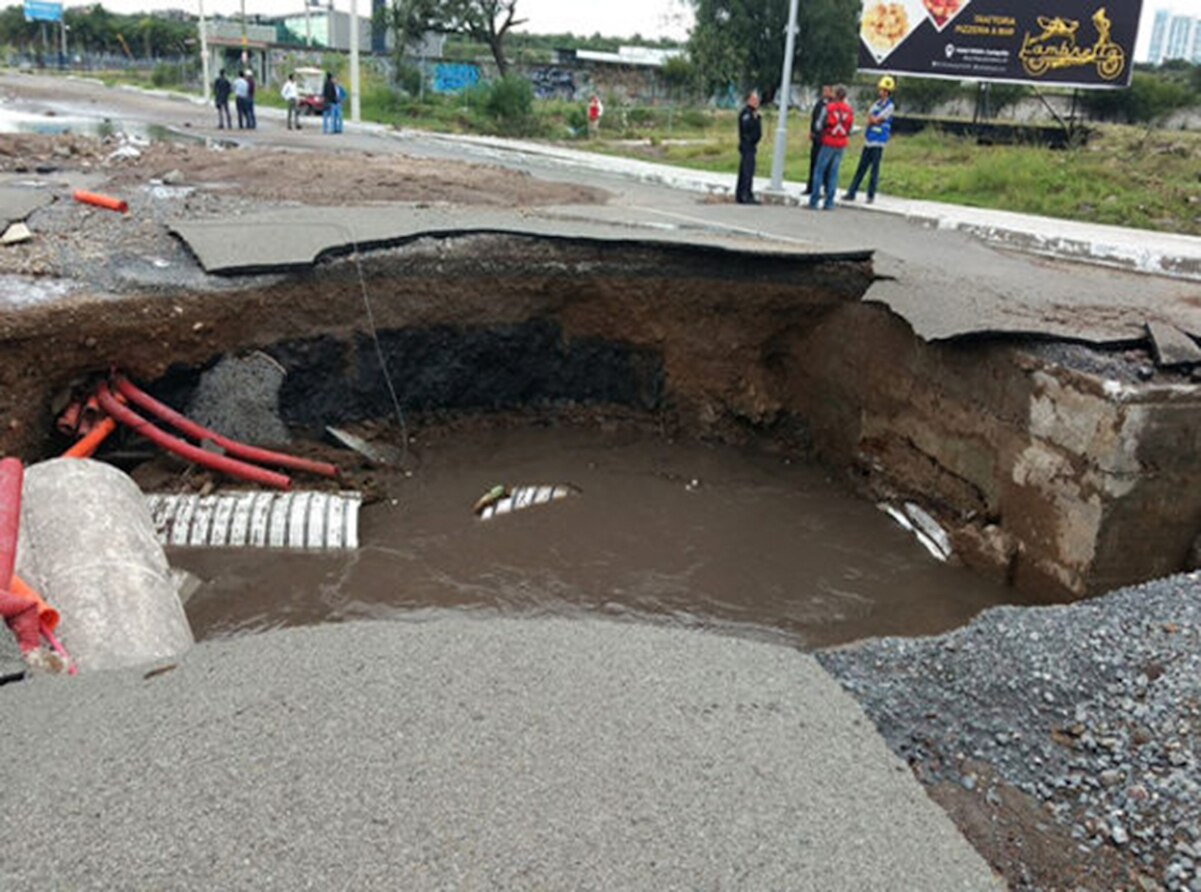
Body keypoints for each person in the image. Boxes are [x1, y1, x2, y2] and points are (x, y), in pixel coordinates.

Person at [844, 76, 896, 205]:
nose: (881, 92)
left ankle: (870, 195)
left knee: (874, 170)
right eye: (881, 90)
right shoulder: (876, 104)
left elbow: (877, 120)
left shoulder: (890, 106)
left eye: (884, 90)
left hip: (879, 142)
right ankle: (851, 192)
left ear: (888, 92)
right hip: (869, 140)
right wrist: (873, 119)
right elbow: (870, 118)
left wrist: (874, 119)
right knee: (861, 168)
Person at [808, 83, 853, 211]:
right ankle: (829, 202)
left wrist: (819, 133)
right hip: (841, 143)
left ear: (835, 94)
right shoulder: (849, 110)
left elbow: (818, 125)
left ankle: (814, 201)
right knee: (833, 173)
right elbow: (849, 128)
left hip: (828, 141)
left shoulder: (828, 108)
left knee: (819, 171)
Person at [735, 90, 762, 205]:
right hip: (747, 146)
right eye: (754, 100)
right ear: (749, 100)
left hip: (751, 146)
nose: (757, 102)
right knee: (747, 171)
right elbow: (747, 129)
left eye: (757, 100)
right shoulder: (746, 113)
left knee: (748, 170)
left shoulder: (754, 113)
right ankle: (745, 195)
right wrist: (755, 119)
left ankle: (743, 194)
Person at [805, 85, 832, 195]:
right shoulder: (819, 103)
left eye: (827, 91)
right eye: (823, 90)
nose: (824, 92)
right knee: (814, 162)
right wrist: (811, 131)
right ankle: (810, 187)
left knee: (826, 165)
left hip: (826, 138)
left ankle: (825, 188)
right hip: (816, 137)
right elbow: (814, 118)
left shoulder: (832, 105)